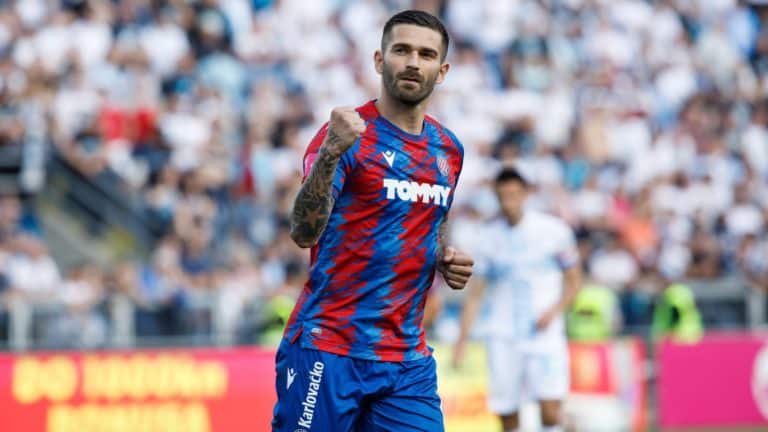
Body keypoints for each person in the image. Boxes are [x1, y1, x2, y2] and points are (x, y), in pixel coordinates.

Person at [271, 10, 474, 432]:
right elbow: (303, 232)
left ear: (442, 71)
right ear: (380, 60)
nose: (413, 62)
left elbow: (432, 219)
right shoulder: (347, 136)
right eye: (402, 50)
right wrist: (331, 151)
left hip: (406, 359)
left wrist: (443, 257)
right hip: (330, 346)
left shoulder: (448, 150)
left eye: (426, 54)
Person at [453, 167, 582, 432]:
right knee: (507, 412)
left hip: (544, 334)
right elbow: (476, 294)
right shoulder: (487, 238)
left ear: (525, 194)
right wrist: (462, 339)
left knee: (551, 407)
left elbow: (574, 281)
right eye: (503, 195)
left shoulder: (553, 231)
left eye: (513, 194)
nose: (508, 201)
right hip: (503, 334)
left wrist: (554, 310)